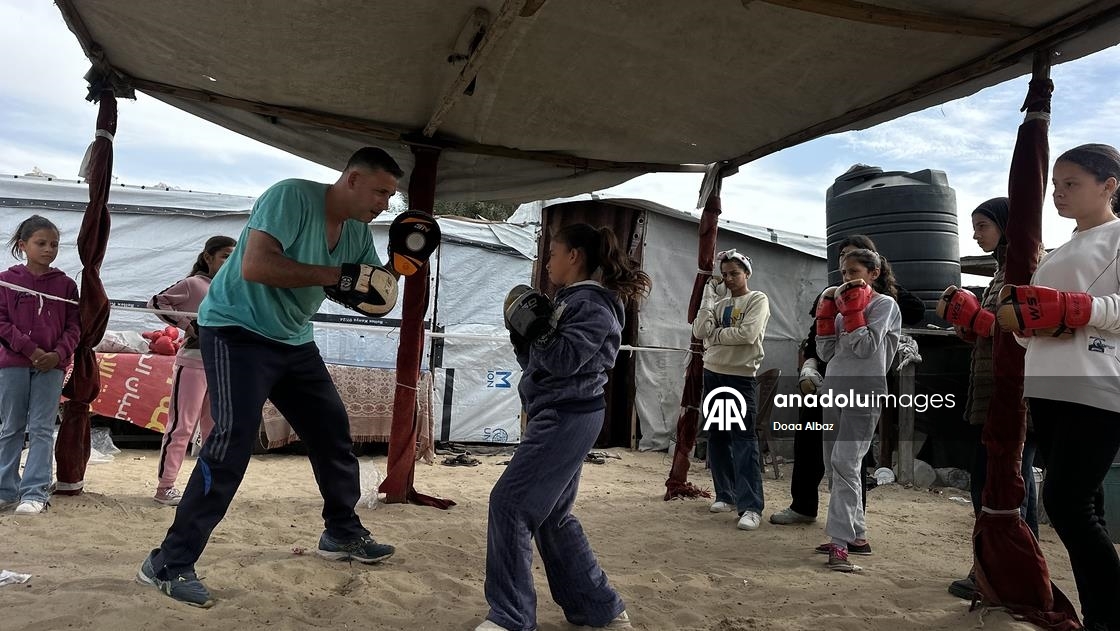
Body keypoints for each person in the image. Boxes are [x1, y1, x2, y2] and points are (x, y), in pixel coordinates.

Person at [137, 147, 411, 608]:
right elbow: (255, 266)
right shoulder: (291, 197)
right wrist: (339, 276)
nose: (385, 203)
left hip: (292, 339)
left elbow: (371, 295)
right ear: (352, 179)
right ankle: (167, 562)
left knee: (331, 432)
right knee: (231, 444)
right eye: (381, 191)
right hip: (235, 330)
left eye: (391, 195)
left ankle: (342, 532)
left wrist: (401, 265)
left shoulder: (358, 232)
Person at [479, 223, 651, 631]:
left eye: (553, 254)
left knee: (509, 505)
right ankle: (599, 609)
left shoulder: (593, 305)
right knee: (553, 517)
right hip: (559, 413)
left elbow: (563, 361)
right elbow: (540, 364)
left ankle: (511, 617)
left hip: (567, 417)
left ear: (573, 256)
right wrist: (522, 335)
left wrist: (537, 328)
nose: (548, 263)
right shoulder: (570, 302)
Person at [997, 144, 1120, 630]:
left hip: (1097, 384)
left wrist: (1075, 309)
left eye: (1071, 184)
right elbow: (1035, 328)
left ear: (1109, 185)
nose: (1058, 194)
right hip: (1048, 384)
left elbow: (1099, 309)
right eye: (1055, 185)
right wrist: (1015, 323)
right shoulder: (1057, 252)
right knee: (1084, 504)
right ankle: (1098, 616)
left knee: (1065, 502)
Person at [771, 235, 923, 528]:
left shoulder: (885, 302)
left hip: (864, 385)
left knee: (849, 460)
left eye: (855, 264)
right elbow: (820, 340)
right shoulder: (832, 296)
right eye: (843, 266)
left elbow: (911, 312)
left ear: (873, 266)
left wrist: (864, 300)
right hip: (828, 382)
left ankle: (853, 528)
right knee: (814, 443)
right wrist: (811, 362)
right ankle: (807, 508)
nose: (847, 272)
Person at [938, 198, 1038, 600]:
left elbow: (1028, 327)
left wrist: (981, 320)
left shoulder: (1028, 266)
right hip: (993, 391)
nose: (975, 233)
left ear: (1004, 224)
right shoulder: (1002, 271)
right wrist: (971, 327)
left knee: (1005, 483)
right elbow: (997, 329)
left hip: (1014, 397)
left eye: (982, 225)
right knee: (997, 481)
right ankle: (999, 567)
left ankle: (1009, 571)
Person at [815, 248, 902, 572]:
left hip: (865, 391)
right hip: (834, 388)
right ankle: (857, 534)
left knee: (846, 462)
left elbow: (867, 347)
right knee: (832, 464)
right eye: (843, 273)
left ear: (873, 273)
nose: (847, 279)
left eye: (854, 271)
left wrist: (853, 313)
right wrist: (826, 318)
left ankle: (839, 543)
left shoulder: (885, 306)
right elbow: (827, 353)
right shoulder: (839, 309)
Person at [147, 235, 237, 506]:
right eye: (224, 256)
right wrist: (189, 325)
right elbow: (157, 302)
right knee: (182, 426)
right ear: (208, 257)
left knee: (214, 430)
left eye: (234, 256)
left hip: (221, 364)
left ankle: (206, 487)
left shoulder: (235, 287)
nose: (229, 261)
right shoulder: (193, 284)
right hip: (194, 361)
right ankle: (166, 487)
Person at [0, 215, 80, 515]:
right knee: (11, 427)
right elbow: (2, 322)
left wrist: (57, 355)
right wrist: (31, 350)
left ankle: (35, 492)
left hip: (52, 367)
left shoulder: (66, 285)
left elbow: (75, 327)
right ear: (23, 245)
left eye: (54, 244)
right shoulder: (6, 280)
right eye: (41, 243)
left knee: (42, 428)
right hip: (12, 364)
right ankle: (5, 489)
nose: (48, 249)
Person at [692, 249, 770, 530]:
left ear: (746, 273)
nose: (729, 279)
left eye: (735, 273)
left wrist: (716, 336)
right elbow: (700, 331)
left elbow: (747, 334)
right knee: (718, 437)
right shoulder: (718, 301)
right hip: (713, 372)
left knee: (743, 441)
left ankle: (751, 506)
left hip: (740, 376)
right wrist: (708, 296)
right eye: (725, 275)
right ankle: (725, 494)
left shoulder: (757, 299)